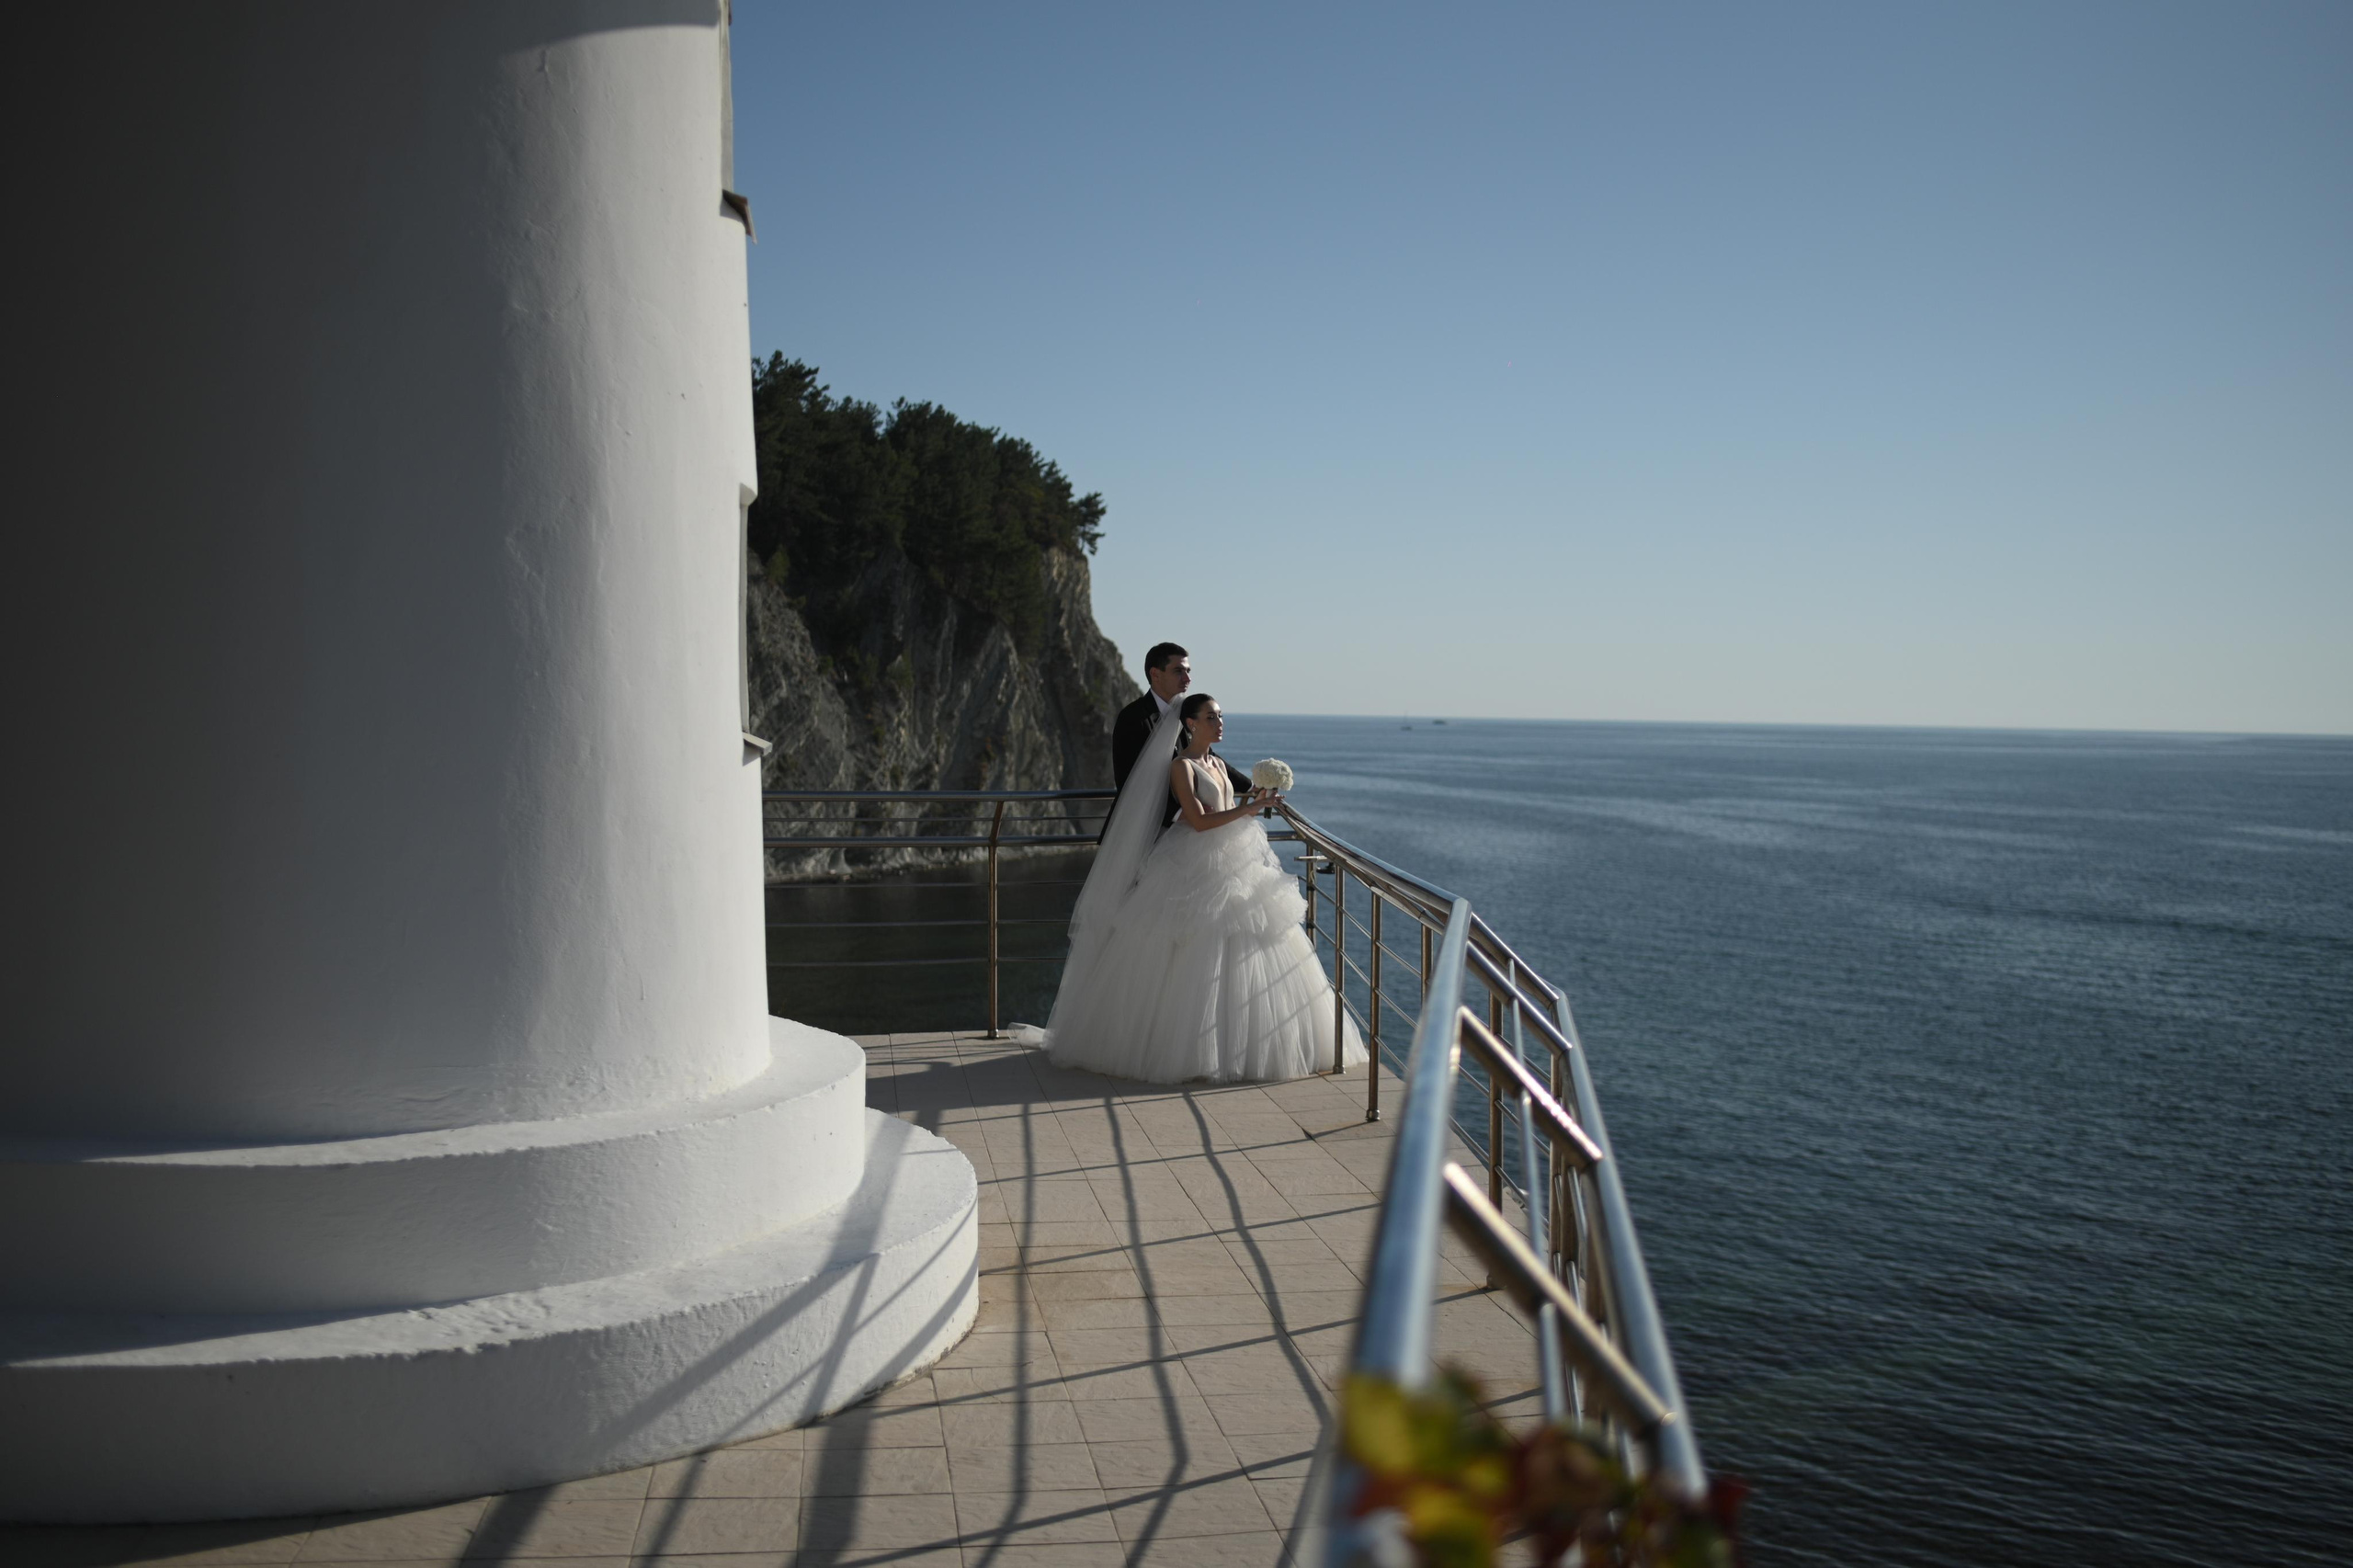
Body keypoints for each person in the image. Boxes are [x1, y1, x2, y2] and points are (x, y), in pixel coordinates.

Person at [1035, 691, 1366, 1084]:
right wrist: (1250, 808)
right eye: (1211, 717)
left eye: (1220, 716)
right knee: (1192, 949)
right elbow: (1198, 821)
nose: (1219, 722)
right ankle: (1184, 1050)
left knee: (1248, 944)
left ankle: (1245, 1045)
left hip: (1234, 861)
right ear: (1191, 724)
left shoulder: (1218, 764)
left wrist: (1259, 796)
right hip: (1191, 863)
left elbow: (1227, 807)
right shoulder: (1182, 766)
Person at [1107, 642, 1192, 836]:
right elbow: (1129, 783)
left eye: (1188, 671)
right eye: (1178, 671)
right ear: (1155, 674)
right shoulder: (1133, 717)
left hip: (1181, 832)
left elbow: (1207, 756)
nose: (1187, 678)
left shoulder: (1186, 713)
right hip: (1141, 832)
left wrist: (1250, 786)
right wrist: (1178, 814)